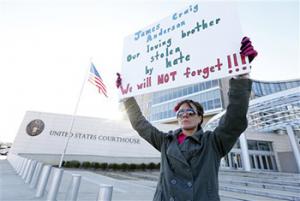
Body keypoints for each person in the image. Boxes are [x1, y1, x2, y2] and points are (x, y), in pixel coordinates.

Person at [116, 37, 257, 201]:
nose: (185, 115)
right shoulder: (165, 141)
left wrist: (241, 77)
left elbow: (235, 120)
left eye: (190, 112)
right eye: (180, 113)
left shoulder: (213, 142)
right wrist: (127, 98)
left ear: (200, 118)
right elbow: (140, 124)